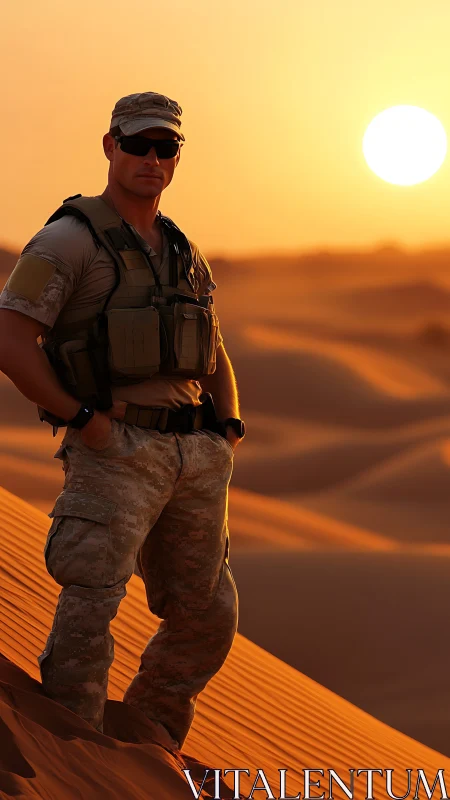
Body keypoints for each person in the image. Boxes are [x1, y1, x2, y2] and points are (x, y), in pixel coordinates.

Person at [0, 91, 245, 751]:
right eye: (137, 144)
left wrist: (228, 426)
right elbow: (11, 339)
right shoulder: (68, 240)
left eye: (165, 147)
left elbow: (211, 343)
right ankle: (76, 756)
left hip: (195, 454)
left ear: (177, 157)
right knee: (90, 608)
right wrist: (84, 420)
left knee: (207, 617)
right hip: (116, 450)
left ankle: (151, 749)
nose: (150, 159)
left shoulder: (182, 248)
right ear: (110, 146)